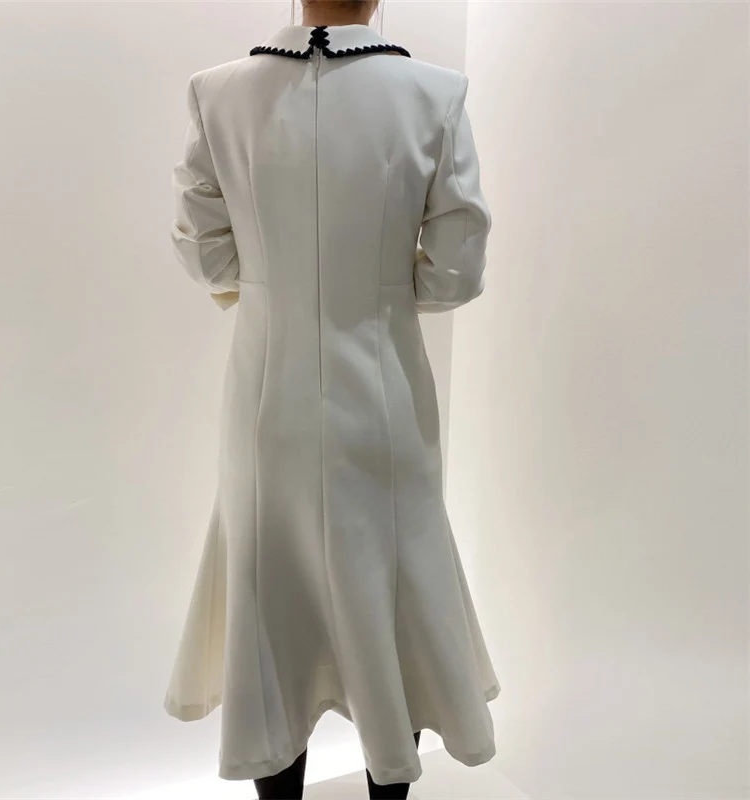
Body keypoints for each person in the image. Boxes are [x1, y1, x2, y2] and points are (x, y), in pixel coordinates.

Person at [164, 1, 501, 798]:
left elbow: (203, 248)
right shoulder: (433, 92)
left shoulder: (217, 92)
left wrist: (263, 287)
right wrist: (383, 291)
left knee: (268, 597)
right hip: (383, 390)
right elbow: (456, 269)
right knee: (395, 597)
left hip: (264, 397)